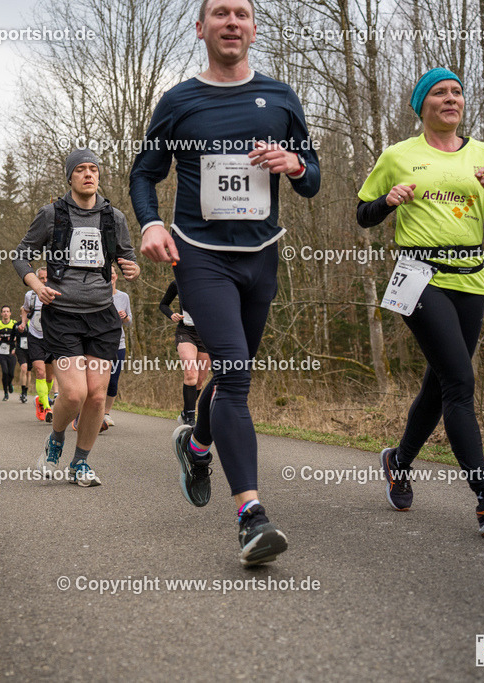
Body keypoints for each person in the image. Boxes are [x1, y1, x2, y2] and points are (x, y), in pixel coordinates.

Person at [130, 0, 320, 565]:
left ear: (254, 28)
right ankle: (251, 517)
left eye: (241, 13)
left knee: (235, 376)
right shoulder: (179, 101)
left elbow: (312, 177)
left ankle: (195, 446)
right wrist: (150, 223)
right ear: (201, 28)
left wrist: (295, 164)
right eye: (220, 13)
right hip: (200, 256)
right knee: (234, 376)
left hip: (262, 255)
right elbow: (145, 171)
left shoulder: (282, 97)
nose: (231, 22)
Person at [357, 68, 484, 535]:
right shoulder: (398, 155)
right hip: (419, 277)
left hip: (471, 279)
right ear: (423, 105)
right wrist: (389, 201)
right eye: (440, 93)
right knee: (459, 379)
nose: (451, 99)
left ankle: (399, 460)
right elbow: (364, 213)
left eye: (456, 92)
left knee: (440, 383)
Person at [14, 149, 139, 486]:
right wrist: (37, 284)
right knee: (73, 394)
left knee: (97, 396)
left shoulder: (115, 217)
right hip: (64, 315)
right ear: (69, 177)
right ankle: (55, 440)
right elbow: (20, 256)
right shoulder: (51, 214)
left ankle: (80, 463)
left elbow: (128, 258)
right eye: (81, 169)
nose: (88, 174)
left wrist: (132, 268)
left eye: (93, 169)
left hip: (102, 317)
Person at [159, 280, 210, 426]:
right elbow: (163, 304)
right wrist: (171, 315)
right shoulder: (178, 283)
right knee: (191, 373)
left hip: (206, 334)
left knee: (200, 379)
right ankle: (190, 418)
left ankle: (186, 411)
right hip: (186, 332)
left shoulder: (213, 282)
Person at [23, 267, 55, 422]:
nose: (44, 281)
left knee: (50, 377)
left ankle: (42, 400)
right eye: (41, 278)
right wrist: (23, 323)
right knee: (40, 373)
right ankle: (47, 407)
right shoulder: (30, 295)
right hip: (35, 337)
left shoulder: (56, 293)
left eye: (46, 278)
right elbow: (24, 310)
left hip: (52, 338)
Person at [102, 265, 132, 428]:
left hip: (118, 343)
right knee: (99, 381)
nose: (111, 276)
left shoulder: (124, 297)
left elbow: (129, 322)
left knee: (113, 381)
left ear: (116, 276)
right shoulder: (98, 295)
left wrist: (125, 317)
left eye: (112, 273)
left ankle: (106, 414)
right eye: (108, 273)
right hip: (100, 344)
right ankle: (92, 412)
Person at [0, 306, 19, 401]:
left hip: (11, 352)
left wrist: (16, 338)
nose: (5, 313)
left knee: (11, 374)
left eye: (7, 311)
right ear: (1, 313)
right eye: (4, 311)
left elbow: (20, 335)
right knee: (5, 372)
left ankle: (9, 383)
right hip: (2, 352)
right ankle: (5, 392)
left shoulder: (14, 323)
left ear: (10, 313)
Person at [16, 312, 31, 403]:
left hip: (31, 350)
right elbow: (13, 336)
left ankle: (25, 392)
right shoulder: (17, 325)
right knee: (23, 368)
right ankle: (22, 392)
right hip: (21, 349)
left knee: (28, 372)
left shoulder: (34, 324)